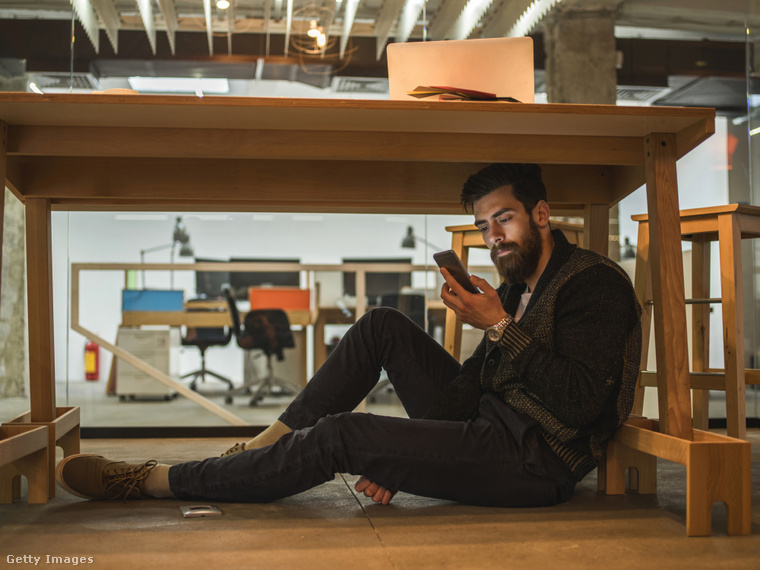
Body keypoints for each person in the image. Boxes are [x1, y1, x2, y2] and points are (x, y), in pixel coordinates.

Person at [56, 163, 642, 508]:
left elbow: (584, 403)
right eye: (484, 227)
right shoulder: (518, 285)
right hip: (490, 425)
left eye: (505, 220)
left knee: (341, 435)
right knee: (380, 325)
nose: (494, 238)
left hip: (534, 462)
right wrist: (410, 451)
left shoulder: (593, 285)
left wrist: (498, 328)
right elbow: (478, 384)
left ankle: (156, 482)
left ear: (541, 214)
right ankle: (261, 446)